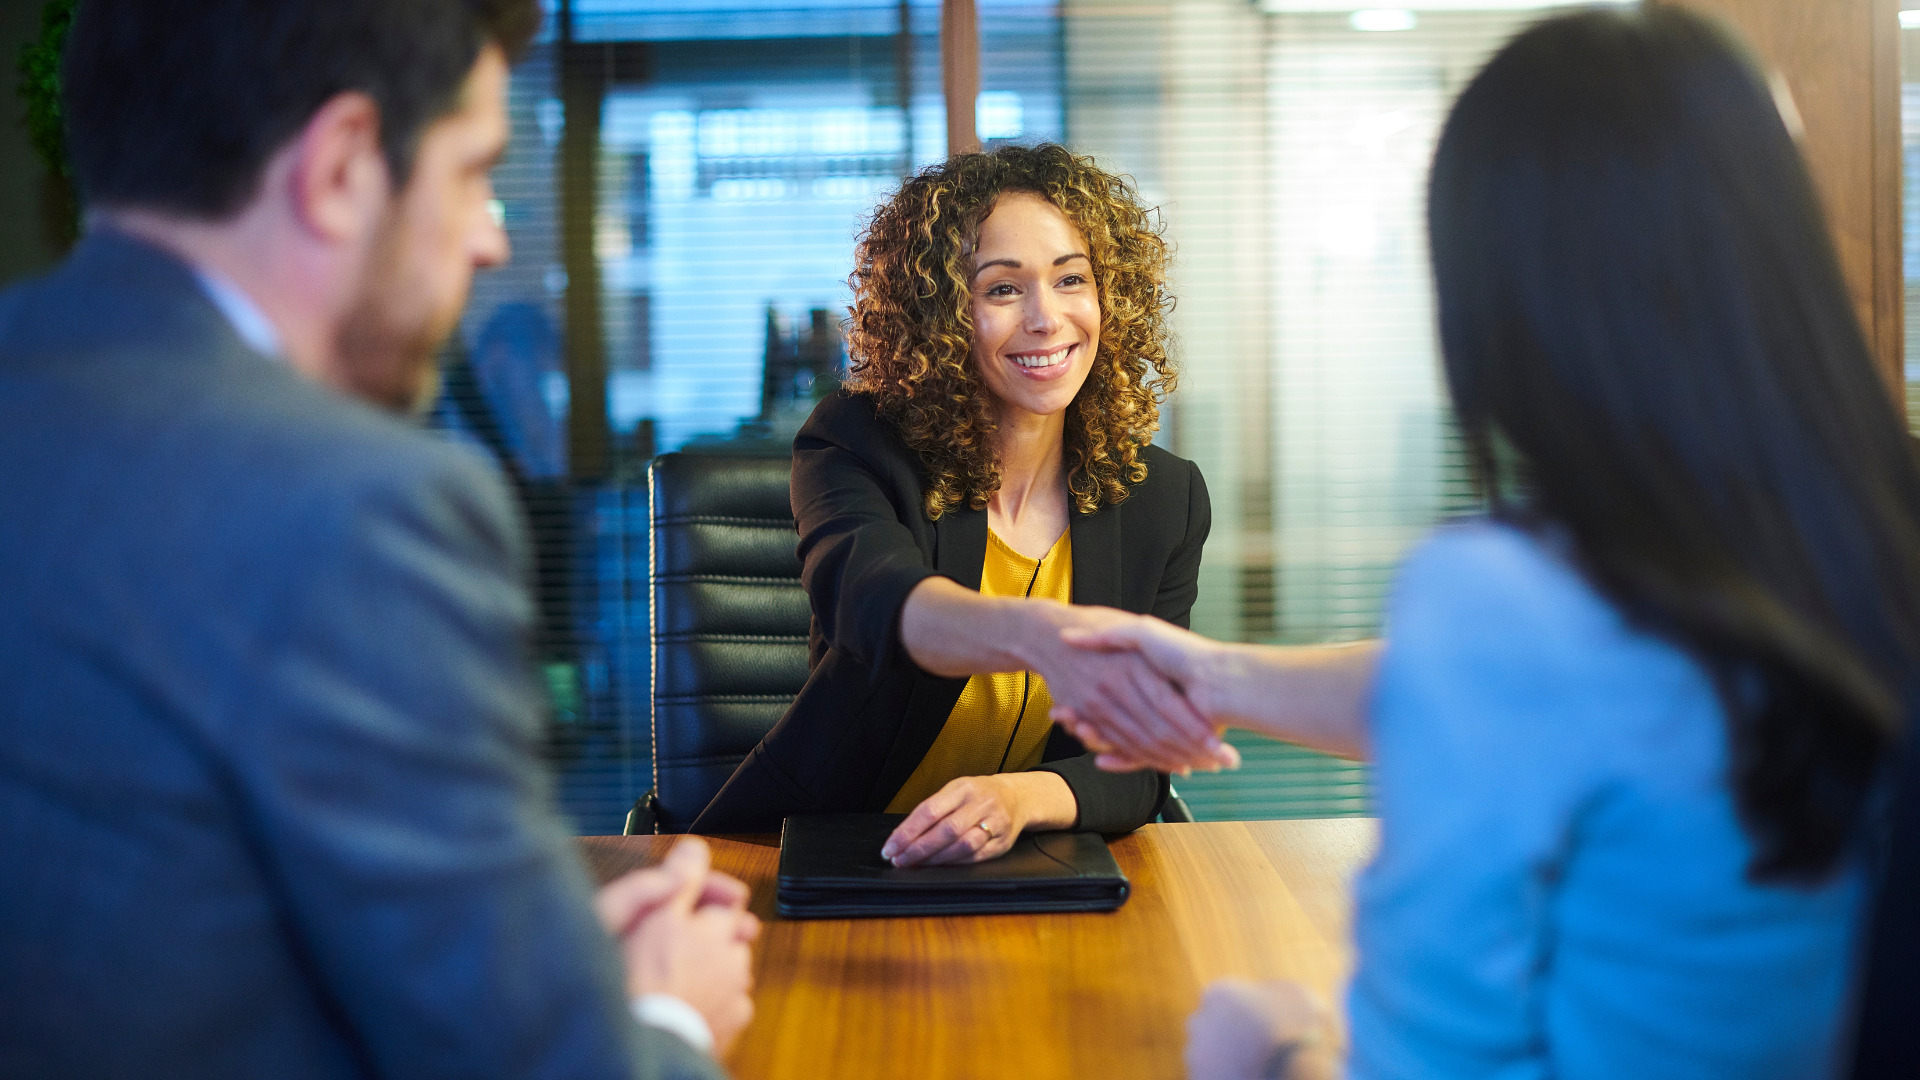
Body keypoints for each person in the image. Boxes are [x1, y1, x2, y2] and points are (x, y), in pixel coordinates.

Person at [1055, 8, 1920, 1078]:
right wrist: (1222, 676)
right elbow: (1571, 696)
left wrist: (1272, 1049)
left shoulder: (1512, 598)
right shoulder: (1852, 541)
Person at [0, 2, 755, 1078]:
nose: (492, 235)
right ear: (345, 165)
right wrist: (668, 1018)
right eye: (473, 171)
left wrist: (530, 953)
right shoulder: (351, 508)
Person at [693, 144, 1237, 863]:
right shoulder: (855, 444)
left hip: (1026, 861)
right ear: (942, 315)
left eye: (1071, 279)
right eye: (1002, 290)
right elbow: (877, 605)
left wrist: (1018, 799)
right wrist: (1040, 635)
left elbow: (1138, 764)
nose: (1047, 319)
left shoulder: (1162, 499)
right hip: (827, 845)